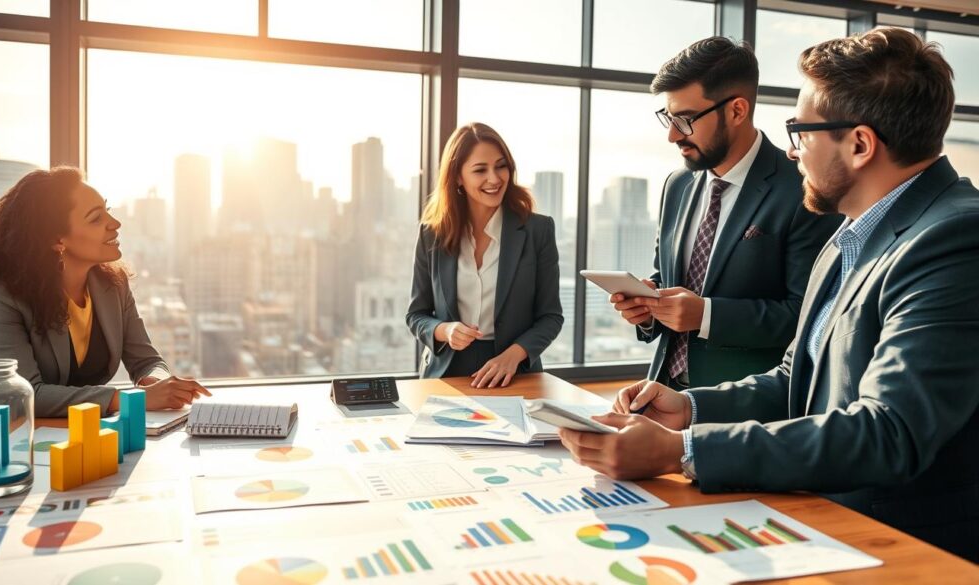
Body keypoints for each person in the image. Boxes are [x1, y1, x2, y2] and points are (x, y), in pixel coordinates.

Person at [560, 28, 979, 562]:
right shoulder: (850, 233)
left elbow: (888, 432)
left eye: (800, 129)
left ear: (859, 144)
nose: (790, 147)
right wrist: (687, 409)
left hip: (901, 548)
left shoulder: (953, 239)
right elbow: (795, 380)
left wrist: (683, 452)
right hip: (821, 520)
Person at [610, 37, 840, 390]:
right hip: (663, 391)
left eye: (686, 120)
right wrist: (647, 309)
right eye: (668, 119)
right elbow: (667, 279)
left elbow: (810, 315)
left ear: (737, 110)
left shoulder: (802, 189)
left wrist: (707, 316)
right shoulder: (678, 185)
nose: (673, 135)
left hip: (744, 405)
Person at [0, 167, 211, 418]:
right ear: (57, 239)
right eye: (96, 218)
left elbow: (146, 360)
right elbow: (26, 394)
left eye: (107, 211)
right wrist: (131, 400)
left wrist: (155, 383)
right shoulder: (2, 294)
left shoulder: (113, 283)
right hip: (31, 440)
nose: (115, 223)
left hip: (95, 433)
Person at [407, 123, 563, 388]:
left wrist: (514, 356)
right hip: (447, 373)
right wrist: (445, 331)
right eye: (480, 170)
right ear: (458, 177)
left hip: (515, 373)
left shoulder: (538, 230)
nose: (494, 178)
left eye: (501, 166)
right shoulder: (431, 233)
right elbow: (416, 314)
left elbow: (551, 316)